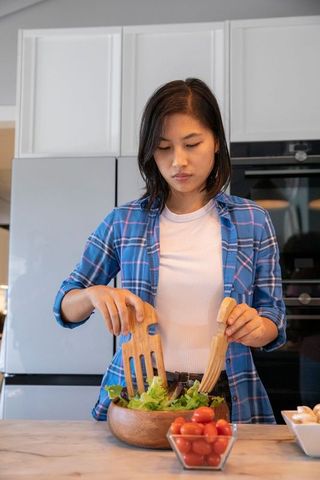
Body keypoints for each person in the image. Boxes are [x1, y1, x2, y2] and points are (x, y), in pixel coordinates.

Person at [53, 78, 286, 424]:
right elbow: (63, 306)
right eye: (163, 148)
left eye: (192, 144)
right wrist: (92, 295)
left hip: (227, 391)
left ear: (217, 143)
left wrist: (258, 327)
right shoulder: (124, 221)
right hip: (139, 393)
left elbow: (274, 317)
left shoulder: (252, 221)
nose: (179, 161)